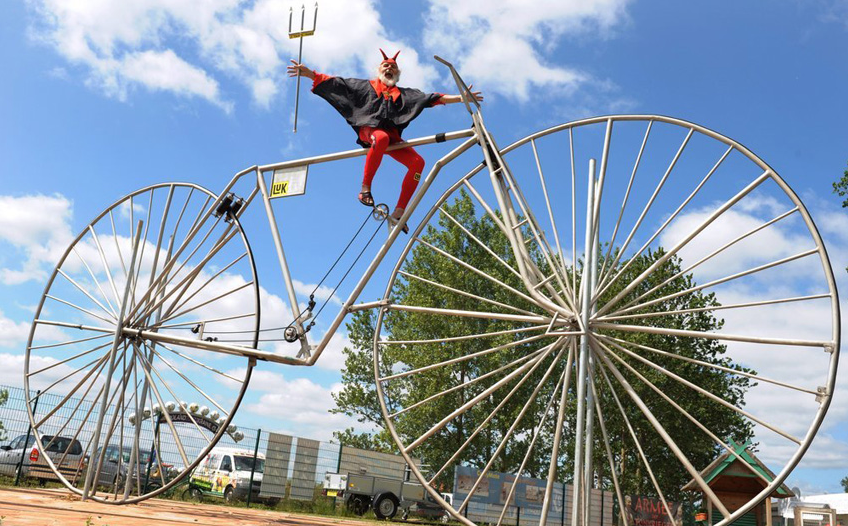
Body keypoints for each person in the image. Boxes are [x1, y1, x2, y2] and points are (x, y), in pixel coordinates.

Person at [287, 49, 482, 233]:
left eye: (393, 67)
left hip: (393, 139)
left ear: (398, 73)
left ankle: (399, 212)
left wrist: (462, 98)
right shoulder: (365, 86)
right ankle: (365, 189)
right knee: (380, 137)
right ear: (378, 70)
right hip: (371, 132)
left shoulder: (405, 94)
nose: (389, 68)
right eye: (385, 66)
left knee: (417, 163)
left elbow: (433, 98)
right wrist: (310, 74)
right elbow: (337, 83)